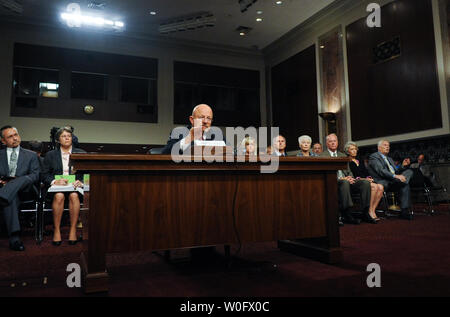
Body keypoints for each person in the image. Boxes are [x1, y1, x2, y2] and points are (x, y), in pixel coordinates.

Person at [42, 127, 86, 246]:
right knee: (59, 196)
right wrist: (54, 182)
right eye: (63, 136)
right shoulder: (50, 155)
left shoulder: (81, 153)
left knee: (73, 196)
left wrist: (81, 182)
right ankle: (56, 230)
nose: (67, 138)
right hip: (57, 189)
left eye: (69, 136)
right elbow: (44, 175)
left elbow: (87, 173)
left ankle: (73, 230)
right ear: (58, 140)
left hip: (75, 187)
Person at [0, 126, 40, 251]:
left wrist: (16, 181)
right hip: (5, 188)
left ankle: (3, 194)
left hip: (26, 189)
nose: (15, 138)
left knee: (22, 179)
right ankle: (15, 238)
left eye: (16, 134)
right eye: (10, 137)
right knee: (11, 197)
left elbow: (35, 175)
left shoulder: (31, 155)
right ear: (3, 141)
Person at [320, 134, 372, 224]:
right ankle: (347, 213)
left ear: (337, 142)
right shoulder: (322, 156)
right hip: (333, 181)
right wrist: (343, 178)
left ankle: (365, 212)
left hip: (346, 180)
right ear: (326, 143)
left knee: (365, 183)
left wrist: (350, 178)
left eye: (334, 141)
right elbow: (324, 172)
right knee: (344, 182)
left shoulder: (343, 155)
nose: (333, 143)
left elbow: (349, 171)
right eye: (330, 141)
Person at [367, 140, 414, 220]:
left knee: (409, 171)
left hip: (393, 181)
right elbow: (381, 171)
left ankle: (404, 211)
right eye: (385, 145)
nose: (388, 147)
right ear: (379, 147)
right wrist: (396, 176)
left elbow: (397, 172)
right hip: (383, 182)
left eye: (388, 145)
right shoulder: (374, 157)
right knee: (405, 184)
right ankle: (404, 211)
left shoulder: (389, 159)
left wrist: (402, 166)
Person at [345, 141, 384, 222]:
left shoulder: (360, 160)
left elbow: (366, 172)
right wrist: (365, 179)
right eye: (352, 149)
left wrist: (368, 178)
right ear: (347, 151)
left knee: (380, 187)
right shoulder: (347, 161)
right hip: (355, 182)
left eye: (355, 149)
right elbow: (353, 175)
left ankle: (372, 210)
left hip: (364, 181)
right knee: (373, 186)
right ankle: (367, 211)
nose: (354, 151)